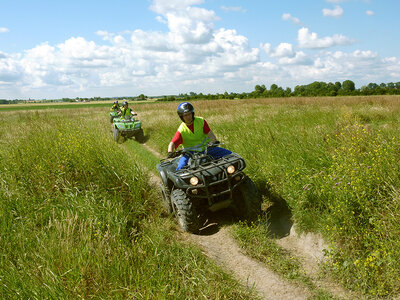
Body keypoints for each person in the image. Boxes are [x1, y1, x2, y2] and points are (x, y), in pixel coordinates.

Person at [167, 102, 232, 170]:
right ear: (181, 117)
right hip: (190, 154)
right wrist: (170, 152)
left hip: (206, 149)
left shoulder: (201, 121)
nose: (188, 117)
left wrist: (214, 141)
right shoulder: (181, 130)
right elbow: (172, 143)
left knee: (229, 154)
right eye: (185, 115)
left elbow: (210, 133)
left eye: (189, 114)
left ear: (192, 113)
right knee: (181, 167)